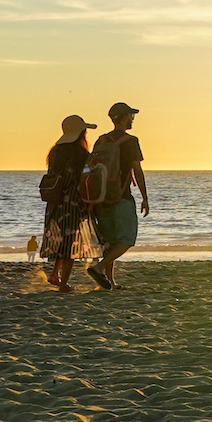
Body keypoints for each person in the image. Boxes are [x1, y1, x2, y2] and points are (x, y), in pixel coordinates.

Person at [85, 102, 150, 290]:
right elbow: (137, 170)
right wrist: (145, 197)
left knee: (110, 241)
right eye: (130, 116)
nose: (132, 120)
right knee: (127, 239)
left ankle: (110, 281)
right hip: (121, 195)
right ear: (122, 118)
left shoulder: (102, 140)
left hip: (100, 197)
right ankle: (98, 268)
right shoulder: (131, 141)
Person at [39, 115, 96, 291]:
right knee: (70, 242)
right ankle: (63, 283)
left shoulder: (55, 152)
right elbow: (85, 180)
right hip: (73, 202)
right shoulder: (82, 155)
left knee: (60, 240)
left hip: (55, 202)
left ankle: (54, 274)